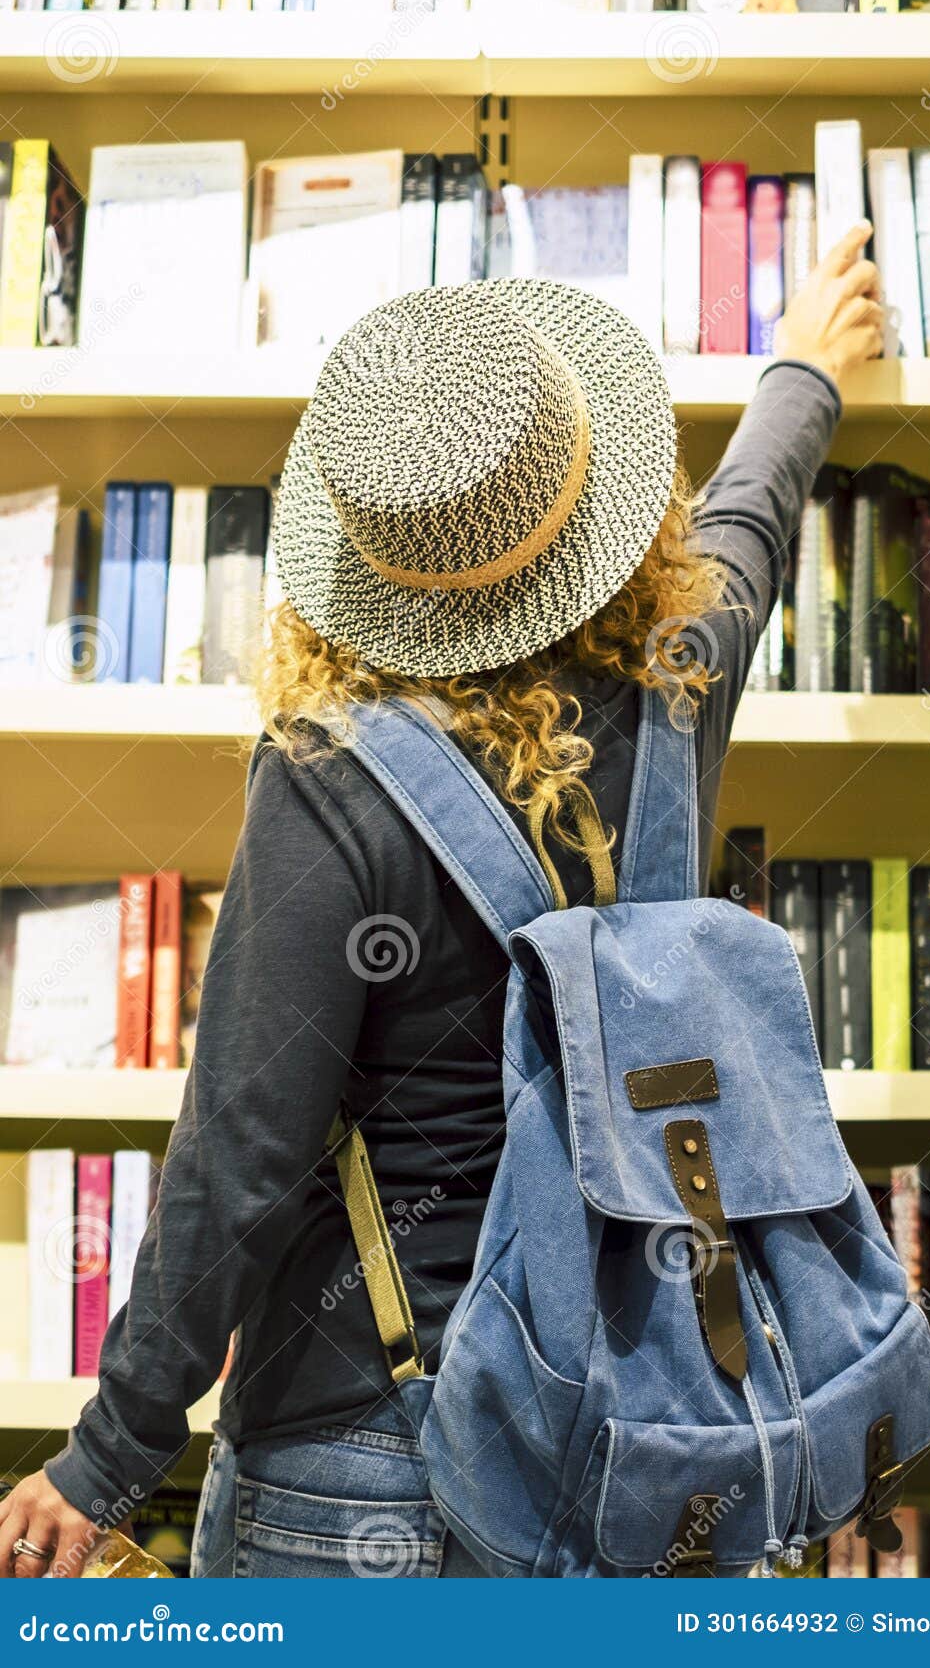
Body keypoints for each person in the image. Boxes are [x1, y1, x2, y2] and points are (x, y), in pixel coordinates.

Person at [0, 222, 882, 1580]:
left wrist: (111, 1450)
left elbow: (245, 1148)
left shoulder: (327, 782)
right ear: (598, 502)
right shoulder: (679, 675)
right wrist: (806, 369)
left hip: (369, 1461)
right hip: (646, 1447)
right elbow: (748, 519)